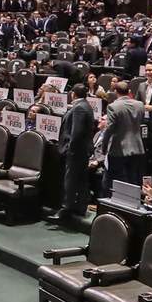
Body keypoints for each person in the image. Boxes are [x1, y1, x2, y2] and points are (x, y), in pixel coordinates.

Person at [57, 83, 96, 225]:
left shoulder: (79, 107)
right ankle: (79, 207)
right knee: (80, 179)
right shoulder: (85, 105)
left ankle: (66, 209)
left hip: (76, 151)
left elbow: (76, 132)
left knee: (72, 179)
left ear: (73, 94)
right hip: (81, 150)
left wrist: (69, 149)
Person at [97, 80, 146, 194]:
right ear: (129, 91)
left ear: (115, 91)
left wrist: (104, 148)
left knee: (117, 182)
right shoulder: (140, 105)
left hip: (118, 149)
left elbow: (109, 129)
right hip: (138, 147)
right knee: (133, 179)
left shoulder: (113, 106)